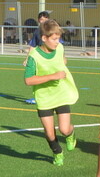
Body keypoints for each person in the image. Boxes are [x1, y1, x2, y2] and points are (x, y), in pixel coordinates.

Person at [23, 19, 78, 166]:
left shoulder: (59, 48)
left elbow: (62, 60)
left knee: (64, 129)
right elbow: (28, 80)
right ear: (44, 38)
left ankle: (70, 134)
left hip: (61, 94)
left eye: (58, 38)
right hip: (44, 98)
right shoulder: (34, 56)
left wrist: (62, 65)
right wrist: (52, 76)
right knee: (49, 133)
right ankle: (57, 152)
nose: (57, 41)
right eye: (54, 39)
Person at [23, 11, 52, 104]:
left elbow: (60, 45)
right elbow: (32, 46)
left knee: (50, 78)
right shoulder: (37, 31)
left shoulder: (52, 31)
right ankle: (38, 97)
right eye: (40, 20)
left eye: (44, 19)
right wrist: (27, 59)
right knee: (37, 78)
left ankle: (50, 97)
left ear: (48, 19)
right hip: (40, 58)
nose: (42, 22)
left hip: (50, 58)